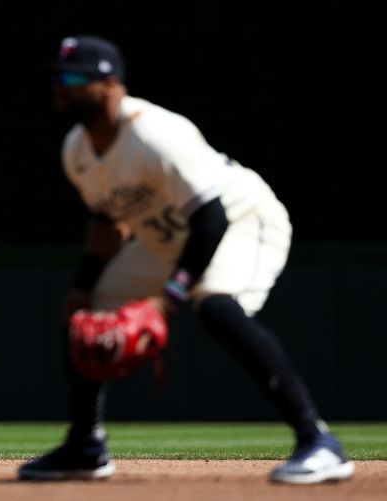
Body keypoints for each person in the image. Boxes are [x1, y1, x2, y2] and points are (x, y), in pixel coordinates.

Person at [18, 35, 354, 484]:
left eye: (76, 76)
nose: (63, 85)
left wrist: (168, 299)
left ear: (112, 84)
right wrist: (83, 285)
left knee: (214, 304)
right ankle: (85, 446)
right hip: (168, 241)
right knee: (82, 312)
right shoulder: (76, 151)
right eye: (58, 77)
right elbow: (107, 225)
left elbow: (211, 220)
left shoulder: (154, 133)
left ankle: (319, 441)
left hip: (241, 220)